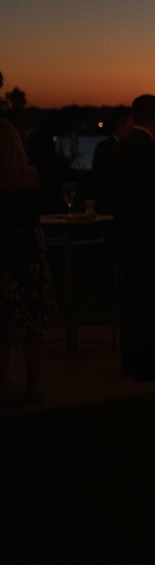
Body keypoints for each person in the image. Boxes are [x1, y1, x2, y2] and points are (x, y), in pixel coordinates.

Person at [113, 94, 155, 381]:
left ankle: (130, 363)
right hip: (153, 237)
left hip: (127, 234)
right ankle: (150, 364)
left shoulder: (121, 146)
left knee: (131, 300)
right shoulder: (152, 150)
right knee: (153, 303)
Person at [0, 118, 59, 407]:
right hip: (29, 257)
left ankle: (3, 387)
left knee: (2, 329)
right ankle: (34, 384)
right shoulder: (29, 176)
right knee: (32, 328)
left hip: (3, 258)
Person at [92, 111, 134, 215]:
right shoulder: (105, 148)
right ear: (120, 128)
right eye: (130, 128)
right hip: (110, 202)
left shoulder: (128, 147)